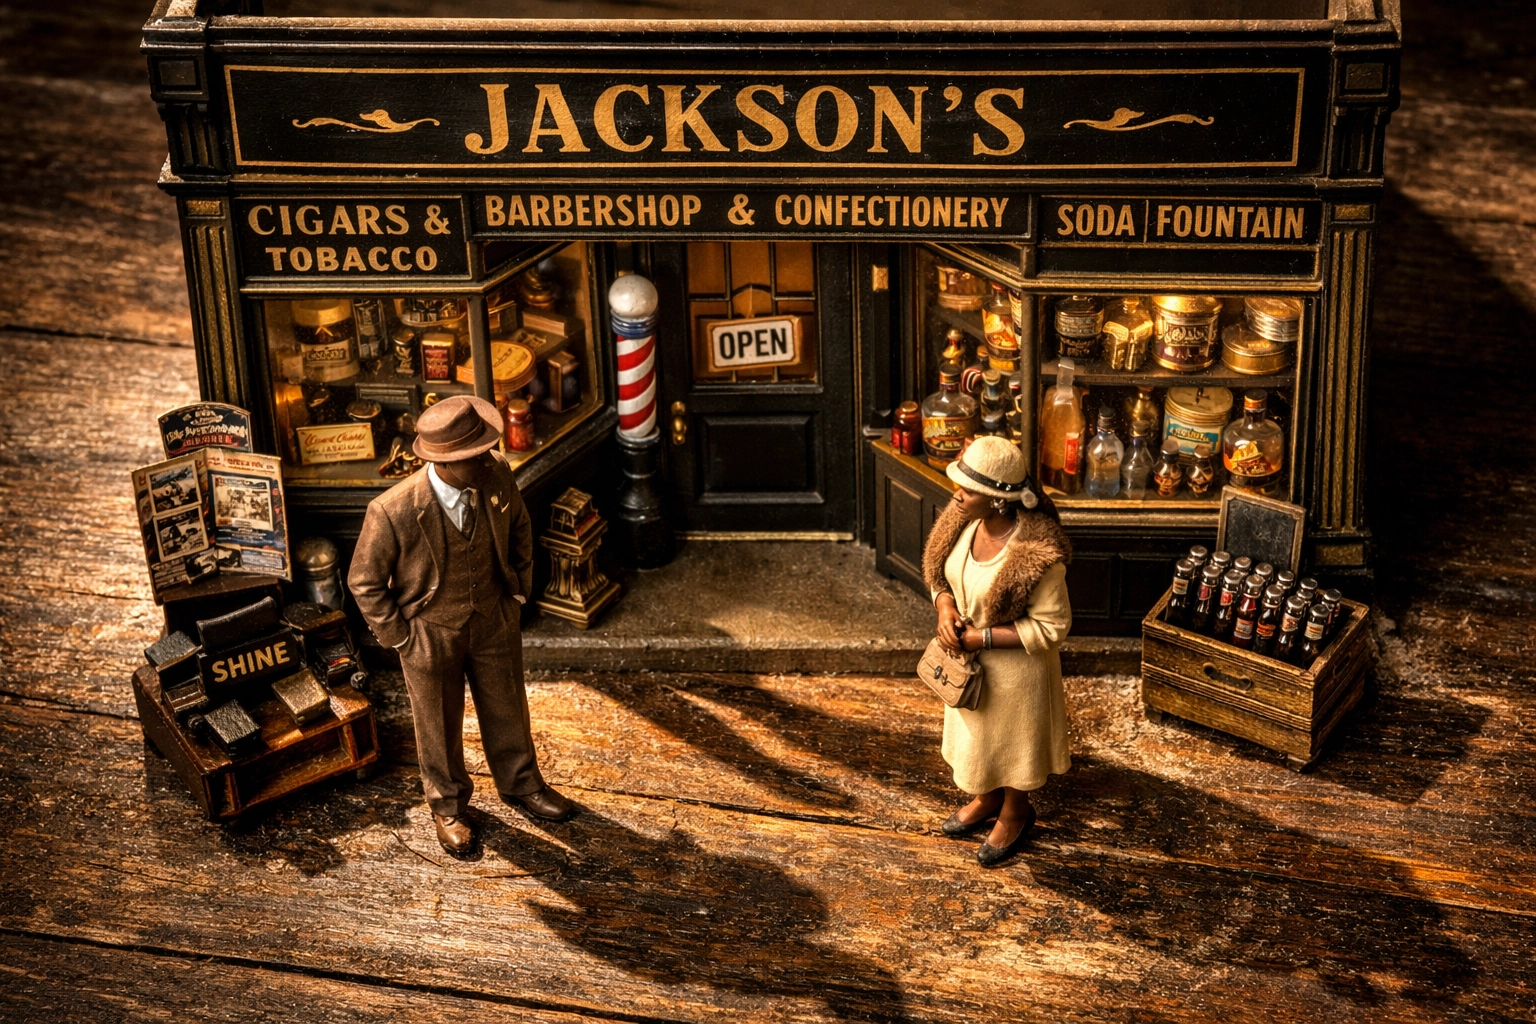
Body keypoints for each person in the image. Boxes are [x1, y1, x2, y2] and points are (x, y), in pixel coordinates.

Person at [348, 395, 575, 858]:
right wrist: (401, 637)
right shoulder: (392, 510)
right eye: (475, 455)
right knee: (437, 723)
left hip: (493, 617)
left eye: (487, 447)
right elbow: (364, 581)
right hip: (429, 632)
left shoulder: (496, 476)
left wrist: (517, 593)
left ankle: (521, 784)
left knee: (509, 706)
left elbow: (521, 532)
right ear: (446, 463)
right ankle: (448, 806)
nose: (488, 458)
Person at [921, 436, 1072, 867]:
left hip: (1015, 676)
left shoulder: (1039, 558)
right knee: (980, 741)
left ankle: (1015, 811)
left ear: (999, 500)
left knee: (1012, 744)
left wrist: (980, 639)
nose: (957, 494)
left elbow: (1053, 626)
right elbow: (941, 576)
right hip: (968, 667)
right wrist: (944, 607)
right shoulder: (962, 524)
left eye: (967, 490)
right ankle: (987, 797)